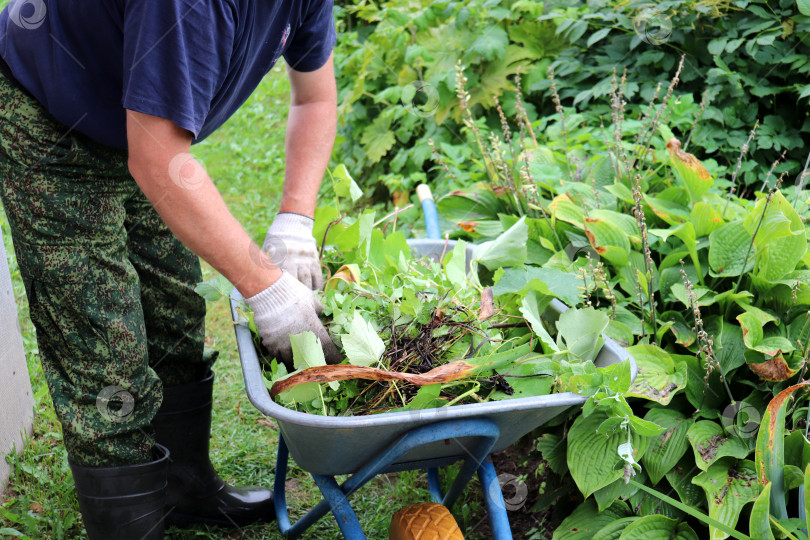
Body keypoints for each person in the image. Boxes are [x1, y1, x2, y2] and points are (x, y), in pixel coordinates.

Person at [0, 0, 342, 537]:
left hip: (143, 128)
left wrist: (296, 219)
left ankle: (184, 489)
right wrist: (267, 288)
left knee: (174, 307)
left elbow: (316, 97)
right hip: (53, 117)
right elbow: (156, 158)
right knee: (101, 340)